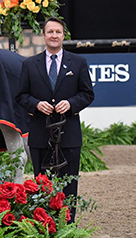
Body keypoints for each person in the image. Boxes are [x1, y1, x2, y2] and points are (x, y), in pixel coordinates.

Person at [16, 17, 94, 221]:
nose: (54, 35)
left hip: (68, 136)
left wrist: (71, 104)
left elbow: (87, 94)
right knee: (42, 185)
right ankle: (45, 226)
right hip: (40, 136)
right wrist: (35, 104)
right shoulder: (29, 64)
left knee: (69, 186)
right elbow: (21, 96)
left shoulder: (78, 63)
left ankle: (68, 227)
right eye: (50, 32)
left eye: (58, 32)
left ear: (63, 35)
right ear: (43, 35)